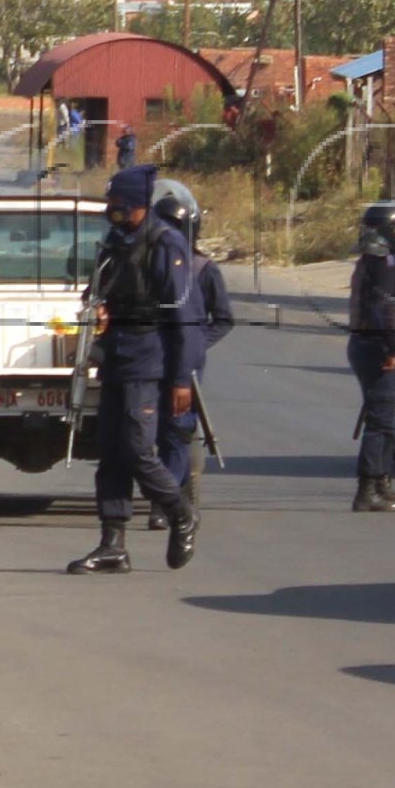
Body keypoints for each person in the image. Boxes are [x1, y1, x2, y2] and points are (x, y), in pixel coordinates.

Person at [67, 164, 201, 575]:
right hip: (116, 357)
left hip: (149, 359)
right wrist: (100, 308)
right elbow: (98, 287)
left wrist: (181, 379)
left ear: (138, 206)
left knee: (139, 450)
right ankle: (112, 544)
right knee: (111, 452)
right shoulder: (116, 241)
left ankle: (180, 513)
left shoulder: (166, 244)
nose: (112, 210)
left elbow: (186, 319)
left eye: (118, 204)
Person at [148, 181, 234, 529]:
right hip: (148, 363)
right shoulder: (146, 265)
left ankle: (164, 505)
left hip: (184, 368)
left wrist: (195, 343)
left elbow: (223, 318)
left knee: (178, 435)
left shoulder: (202, 270)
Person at [347, 201, 395, 513]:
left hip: (365, 345)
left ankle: (382, 484)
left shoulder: (368, 263)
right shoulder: (387, 269)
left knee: (385, 419)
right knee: (382, 422)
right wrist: (391, 349)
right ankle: (369, 489)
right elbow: (385, 313)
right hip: (378, 348)